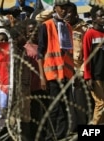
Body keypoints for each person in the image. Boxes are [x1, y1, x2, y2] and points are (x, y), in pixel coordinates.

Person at [37, 0, 74, 140]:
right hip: (52, 74)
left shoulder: (68, 27)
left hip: (66, 73)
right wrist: (42, 76)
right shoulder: (46, 26)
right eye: (61, 7)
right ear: (55, 8)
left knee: (64, 107)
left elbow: (68, 52)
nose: (64, 10)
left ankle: (61, 135)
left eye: (66, 8)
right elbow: (40, 53)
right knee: (54, 108)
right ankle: (50, 137)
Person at [64, 2, 92, 133]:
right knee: (67, 102)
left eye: (68, 12)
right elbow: (39, 18)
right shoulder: (61, 26)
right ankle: (71, 127)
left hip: (78, 69)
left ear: (75, 13)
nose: (66, 15)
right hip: (63, 69)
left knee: (80, 101)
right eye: (63, 11)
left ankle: (83, 127)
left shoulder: (84, 29)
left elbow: (88, 54)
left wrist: (80, 73)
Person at [83, 5, 104, 125]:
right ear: (94, 18)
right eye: (101, 16)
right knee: (101, 103)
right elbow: (86, 57)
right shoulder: (89, 34)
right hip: (96, 76)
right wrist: (88, 76)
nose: (103, 18)